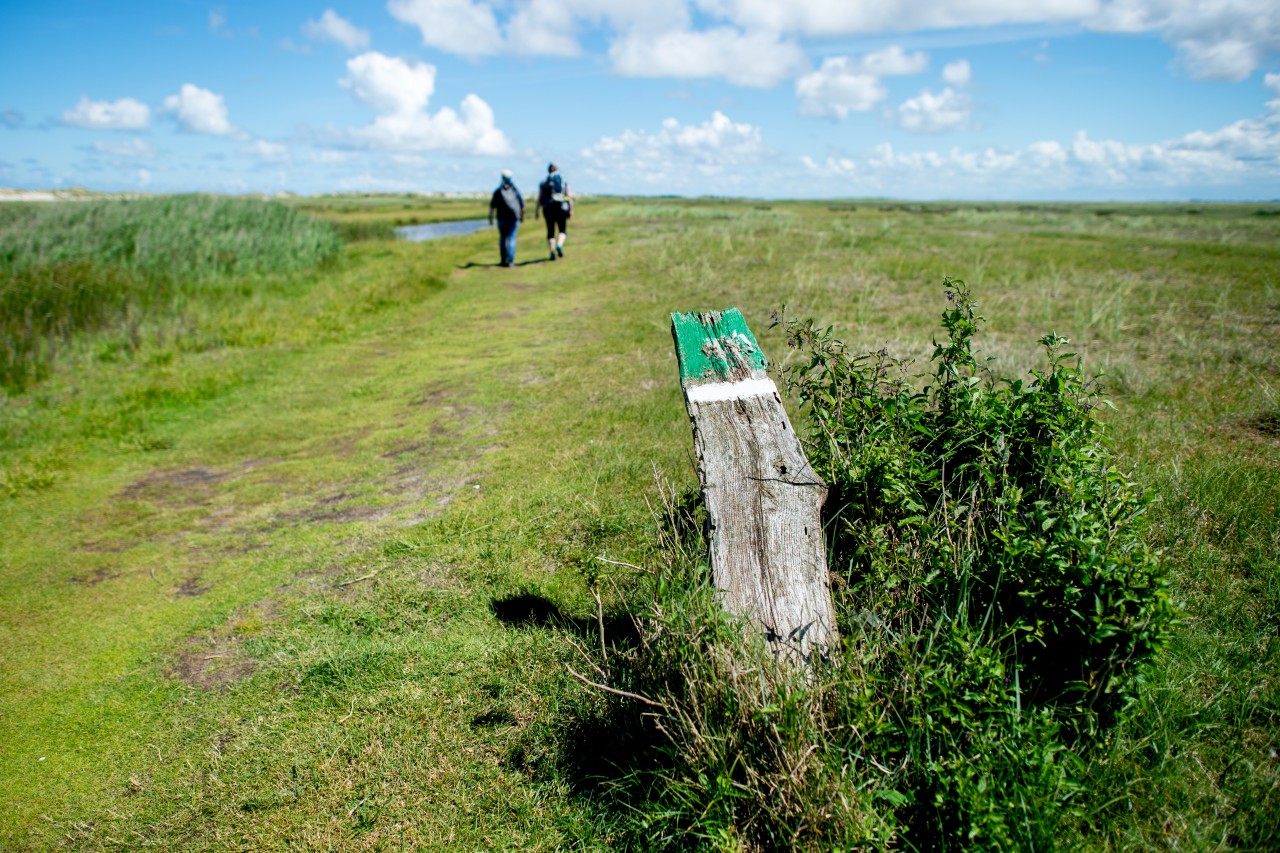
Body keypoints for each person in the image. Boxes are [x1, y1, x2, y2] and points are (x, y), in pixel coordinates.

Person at [534, 163, 572, 261]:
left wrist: (537, 210)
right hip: (561, 207)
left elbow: (540, 197)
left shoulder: (544, 182)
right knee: (562, 229)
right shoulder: (563, 180)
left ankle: (552, 251)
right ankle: (559, 244)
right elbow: (568, 195)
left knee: (550, 231)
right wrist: (570, 209)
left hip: (548, 208)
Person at [488, 169, 524, 267]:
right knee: (512, 238)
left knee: (503, 238)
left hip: (501, 219)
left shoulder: (498, 191)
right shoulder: (515, 190)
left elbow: (492, 206)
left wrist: (490, 218)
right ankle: (510, 261)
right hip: (513, 218)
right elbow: (522, 204)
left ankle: (503, 260)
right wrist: (522, 216)